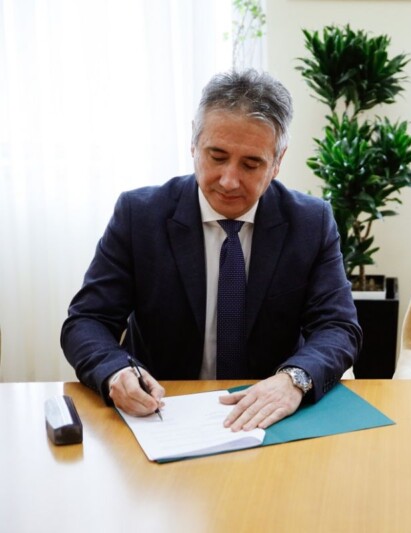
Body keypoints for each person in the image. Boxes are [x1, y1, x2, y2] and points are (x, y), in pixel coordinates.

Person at [62, 69, 362, 430]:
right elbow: (87, 320)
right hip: (162, 415)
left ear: (278, 161)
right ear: (194, 144)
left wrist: (293, 380)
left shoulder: (311, 222)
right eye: (217, 156)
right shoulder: (139, 216)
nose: (229, 180)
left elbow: (338, 327)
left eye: (251, 164)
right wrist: (115, 371)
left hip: (270, 418)